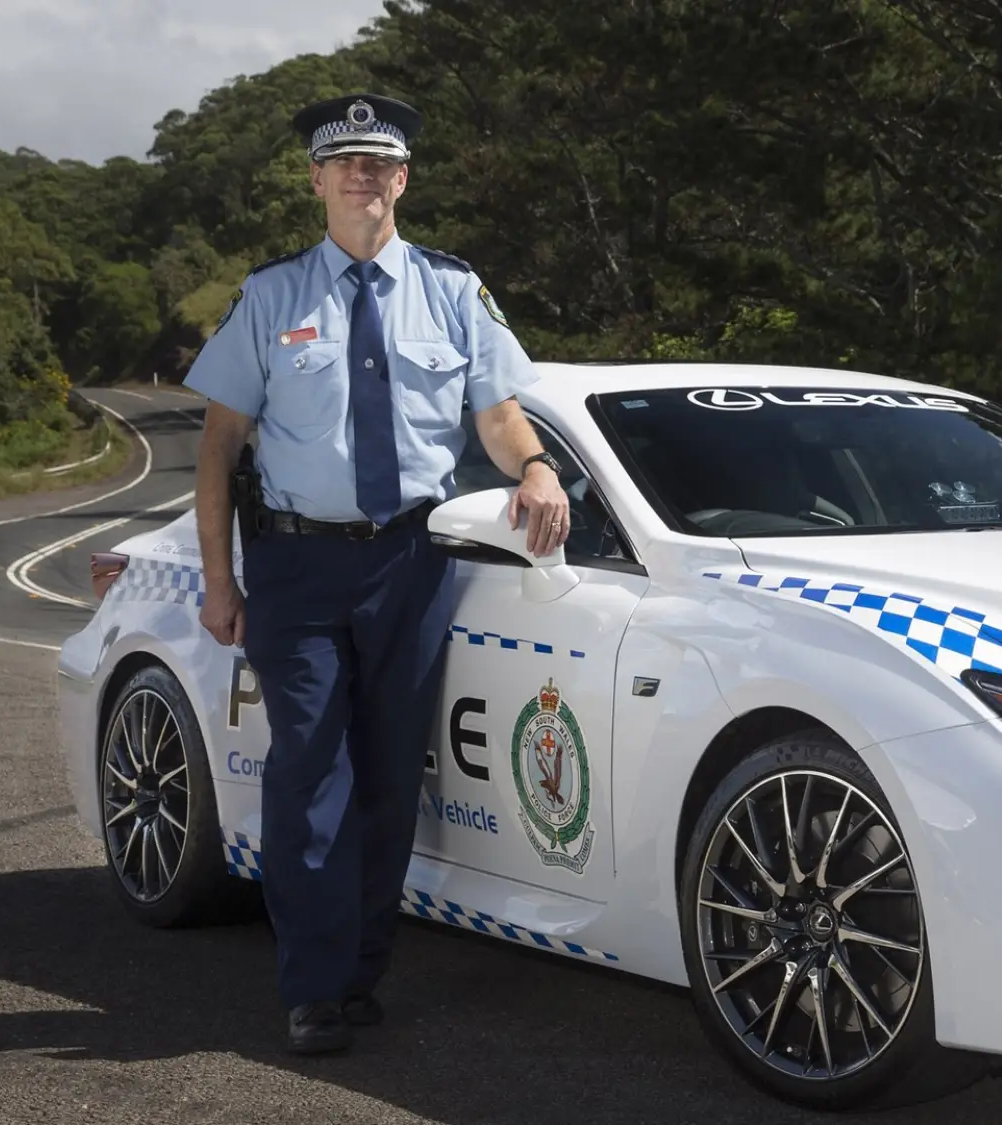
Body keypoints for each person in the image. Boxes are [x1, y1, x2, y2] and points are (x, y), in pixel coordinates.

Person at [183, 92, 572, 1055]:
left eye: (379, 164)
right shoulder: (271, 296)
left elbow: (496, 413)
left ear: (403, 179)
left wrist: (532, 464)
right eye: (344, 163)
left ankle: (359, 970)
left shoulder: (452, 289)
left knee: (392, 774)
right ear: (317, 180)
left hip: (411, 561)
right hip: (297, 566)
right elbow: (219, 444)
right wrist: (220, 580)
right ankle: (313, 986)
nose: (363, 177)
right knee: (309, 766)